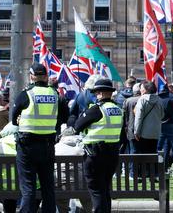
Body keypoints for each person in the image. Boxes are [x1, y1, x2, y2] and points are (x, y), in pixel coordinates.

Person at [10, 63, 67, 213]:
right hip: (47, 145)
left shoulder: (26, 94)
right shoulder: (56, 94)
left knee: (28, 187)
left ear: (32, 76)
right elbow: (64, 117)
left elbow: (13, 117)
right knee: (48, 187)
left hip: (27, 147)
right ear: (46, 76)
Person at [74, 78, 124, 213]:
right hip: (112, 154)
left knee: (96, 191)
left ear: (100, 93)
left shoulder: (97, 109)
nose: (95, 96)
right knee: (105, 189)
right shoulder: (118, 109)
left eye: (96, 93)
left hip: (95, 155)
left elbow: (77, 125)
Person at [133, 81, 164, 154]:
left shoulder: (142, 99)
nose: (140, 90)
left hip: (143, 134)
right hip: (156, 133)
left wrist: (136, 132)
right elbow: (162, 115)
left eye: (141, 88)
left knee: (143, 157)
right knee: (152, 155)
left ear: (145, 90)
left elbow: (138, 117)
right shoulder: (159, 100)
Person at [122, 82, 142, 176]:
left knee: (132, 151)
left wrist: (125, 127)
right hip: (142, 130)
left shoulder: (128, 100)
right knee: (142, 151)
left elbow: (124, 116)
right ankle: (138, 172)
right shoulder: (142, 100)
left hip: (130, 129)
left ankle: (132, 173)